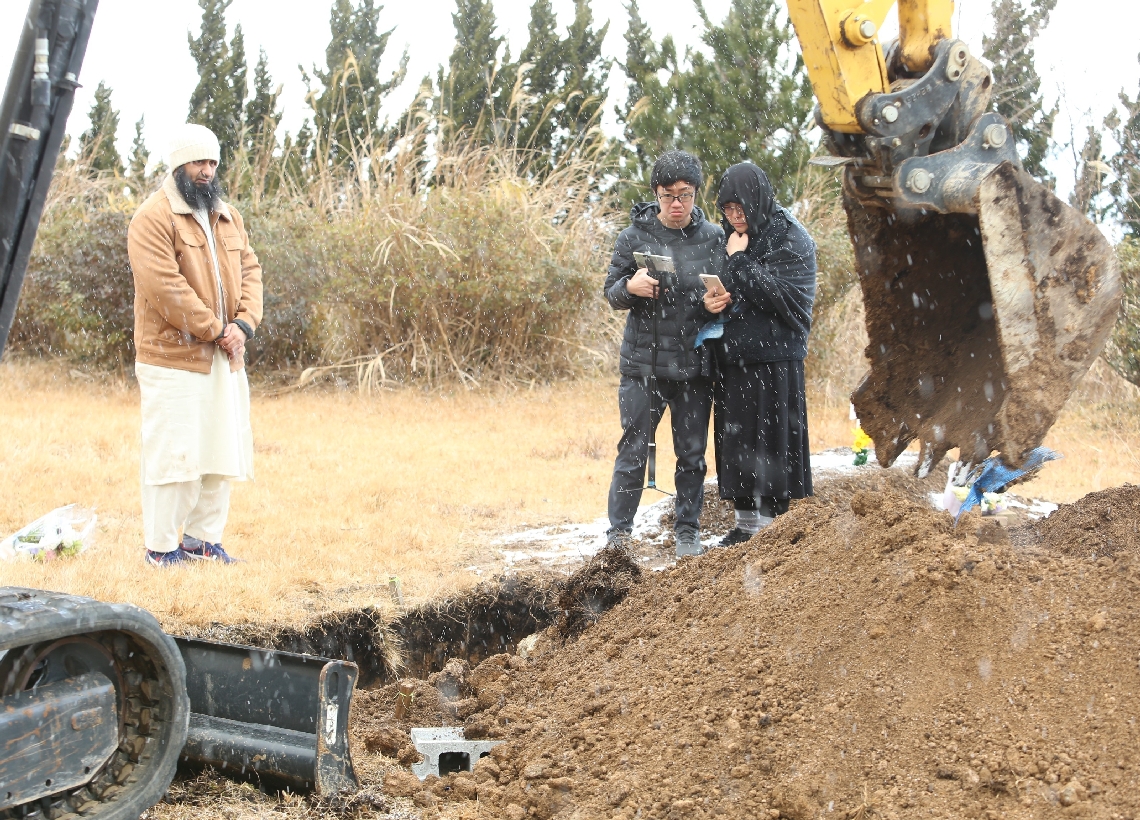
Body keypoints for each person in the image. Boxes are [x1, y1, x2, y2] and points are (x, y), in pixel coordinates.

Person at [127, 123, 263, 566]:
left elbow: (251, 270)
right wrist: (215, 329)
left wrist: (243, 325)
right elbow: (165, 287)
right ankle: (161, 548)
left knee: (222, 452)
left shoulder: (227, 214)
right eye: (198, 162)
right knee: (176, 457)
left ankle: (202, 541)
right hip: (174, 358)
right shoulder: (152, 216)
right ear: (178, 165)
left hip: (226, 355)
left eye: (212, 163)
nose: (206, 171)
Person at [603, 150, 725, 558]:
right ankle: (619, 536)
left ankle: (687, 531)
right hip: (643, 365)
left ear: (696, 194)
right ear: (655, 193)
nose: (677, 204)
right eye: (669, 195)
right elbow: (612, 293)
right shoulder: (632, 237)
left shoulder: (714, 238)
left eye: (685, 195)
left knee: (691, 454)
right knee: (633, 449)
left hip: (693, 365)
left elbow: (725, 294)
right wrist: (629, 289)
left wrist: (715, 304)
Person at [701, 162, 816, 545]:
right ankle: (744, 525)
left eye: (741, 209)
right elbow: (735, 291)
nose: (734, 217)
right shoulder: (733, 237)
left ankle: (770, 531)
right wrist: (712, 302)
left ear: (758, 201)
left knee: (771, 444)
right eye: (728, 210)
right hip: (735, 360)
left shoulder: (790, 239)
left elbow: (783, 299)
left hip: (775, 362)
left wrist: (738, 262)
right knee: (737, 445)